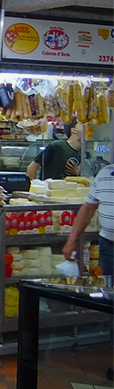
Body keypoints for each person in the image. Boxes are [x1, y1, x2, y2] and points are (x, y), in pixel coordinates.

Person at [64, 162, 114, 378]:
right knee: (112, 301)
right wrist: (72, 239)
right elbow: (88, 208)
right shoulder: (105, 174)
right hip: (108, 246)